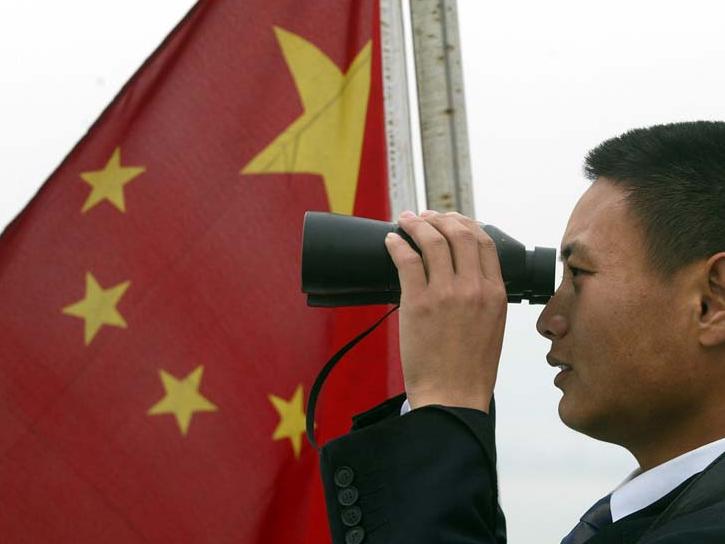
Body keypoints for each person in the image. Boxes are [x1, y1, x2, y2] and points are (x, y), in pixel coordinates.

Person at [318, 121, 725, 544]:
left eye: (578, 273)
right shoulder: (647, 520)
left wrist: (445, 402)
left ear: (712, 301)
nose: (548, 321)